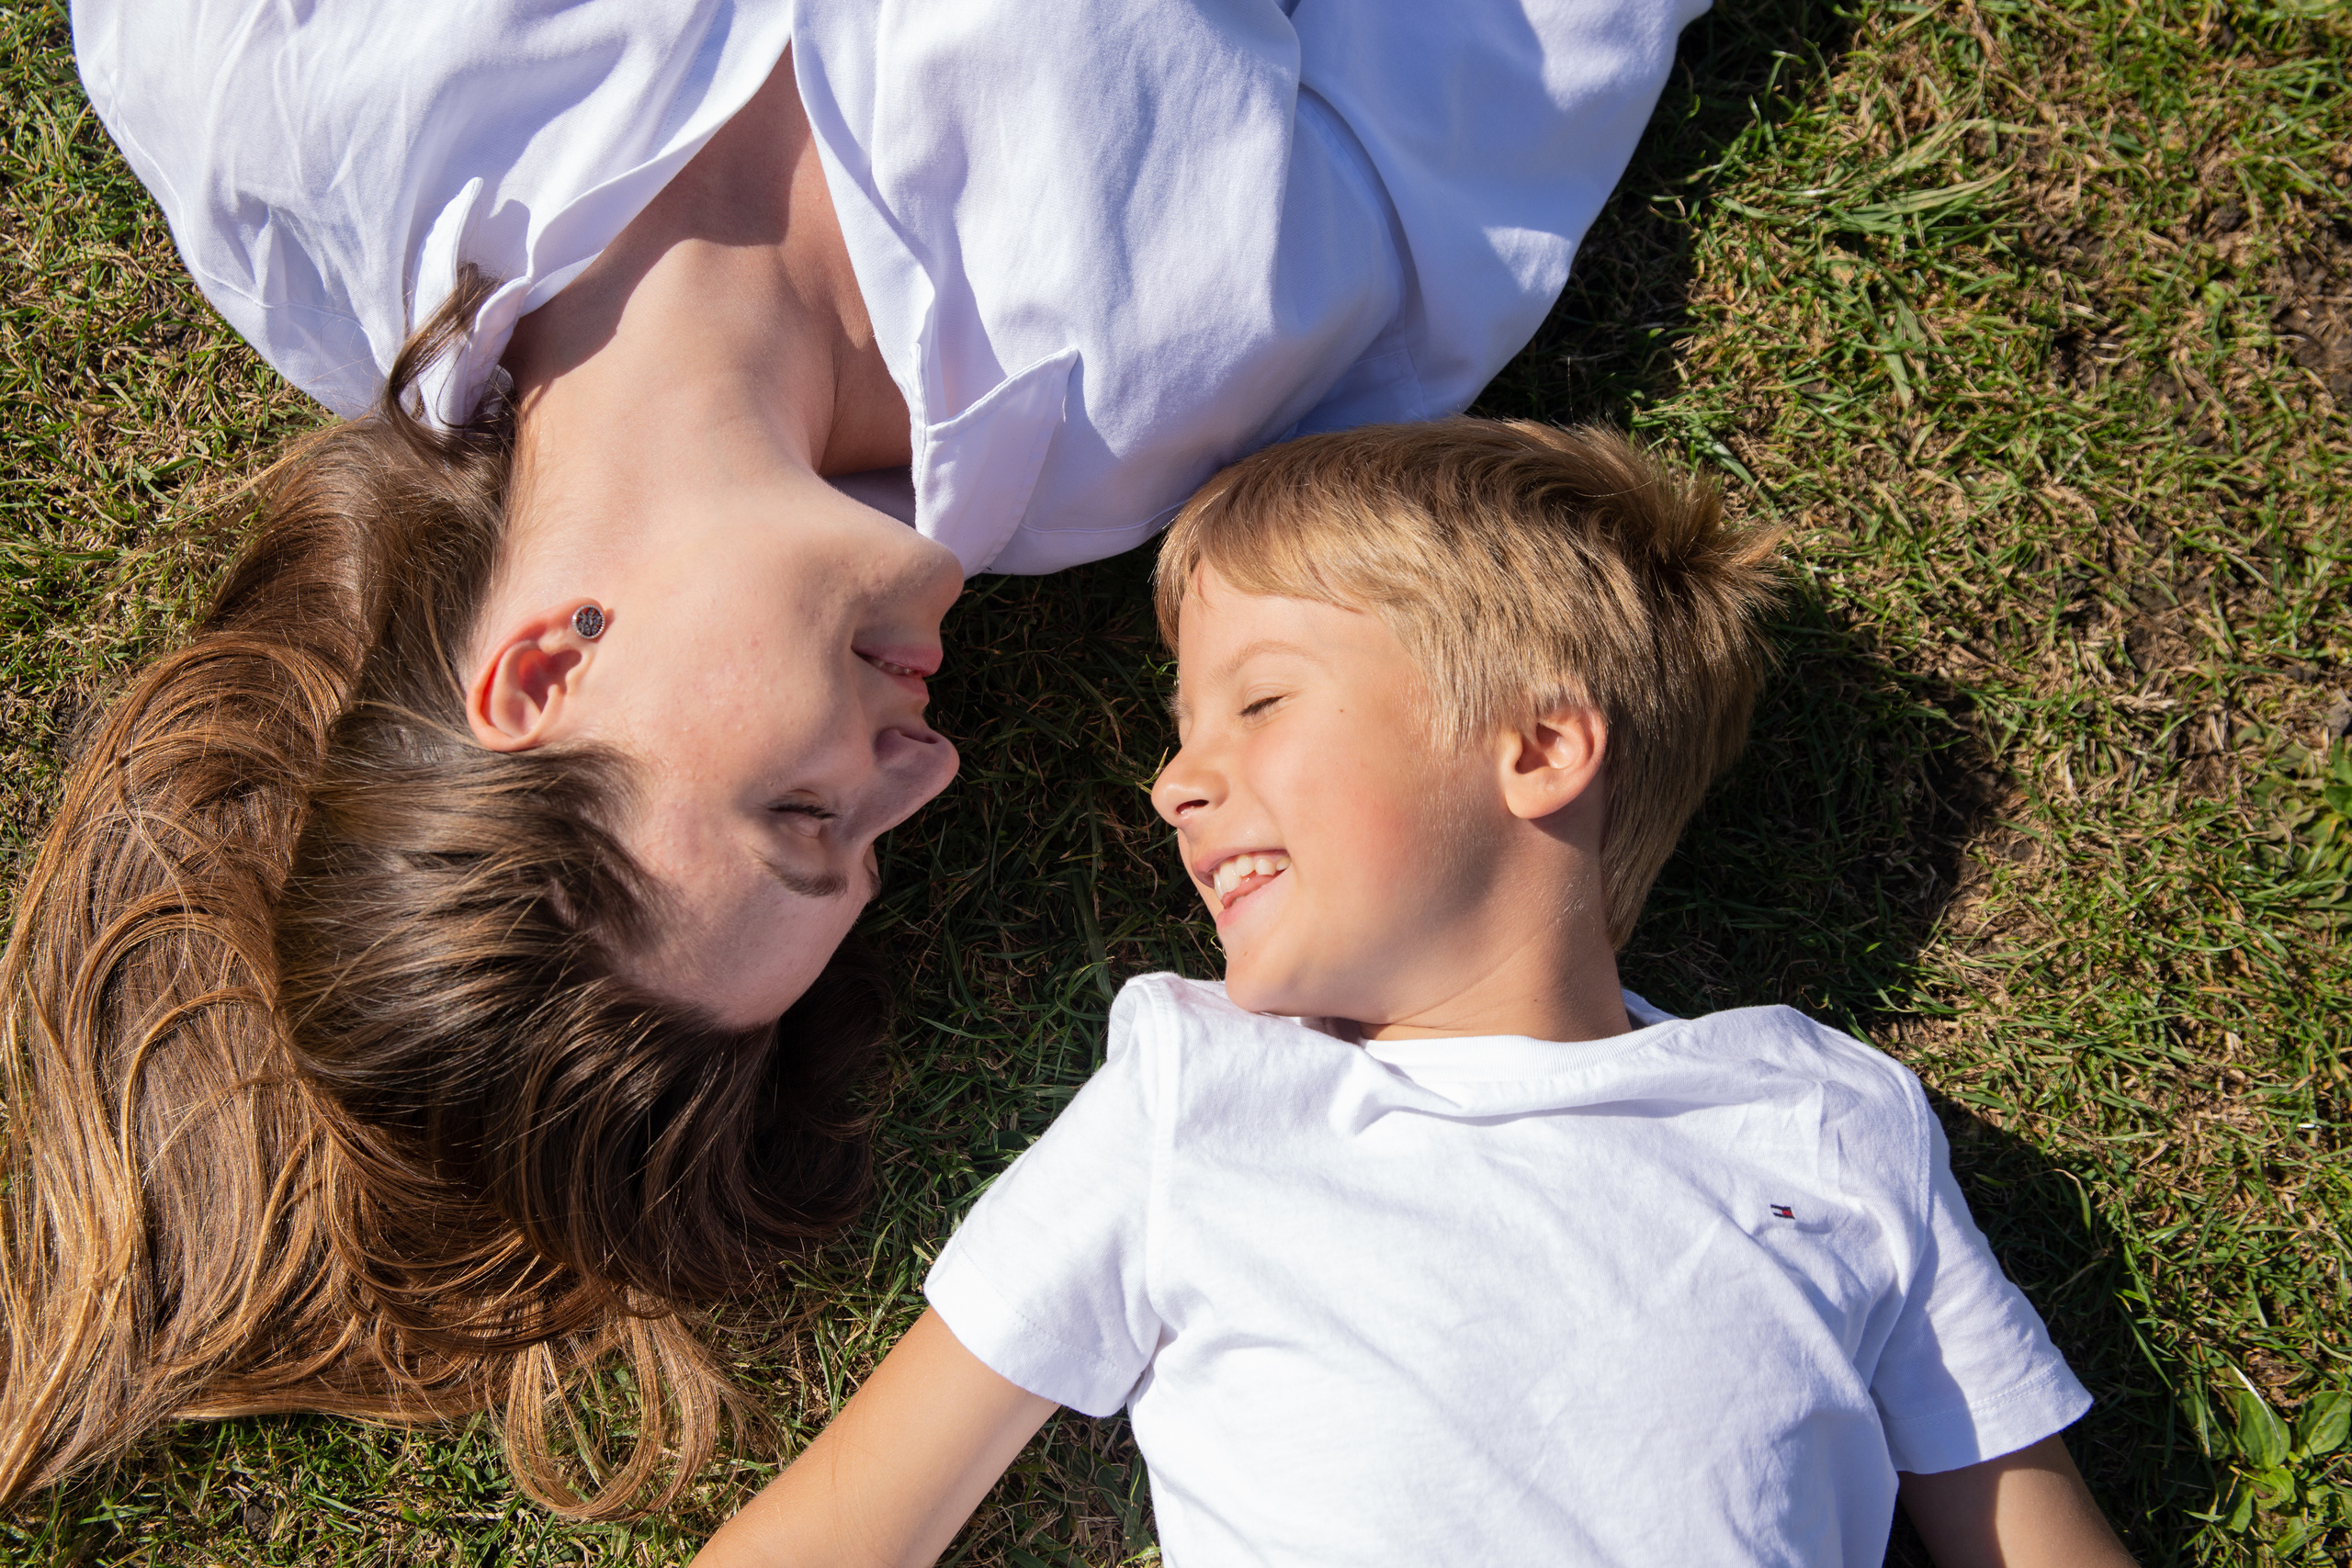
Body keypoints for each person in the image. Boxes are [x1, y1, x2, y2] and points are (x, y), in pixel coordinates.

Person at [4, 0, 1708, 1519]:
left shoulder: (269, 118)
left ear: (536, 677)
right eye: (871, 843)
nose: (930, 771)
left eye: (802, 814)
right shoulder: (1188, 366)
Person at [689, 421, 2141, 1568]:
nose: (1174, 780)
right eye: (1186, 729)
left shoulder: (1821, 1122)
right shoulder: (1197, 1099)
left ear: (1540, 748)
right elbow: (844, 1526)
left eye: (1259, 702)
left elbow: (2029, 1532)